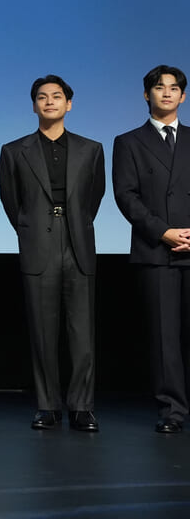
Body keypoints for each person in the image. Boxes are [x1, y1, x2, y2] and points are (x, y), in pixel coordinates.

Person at [0, 75, 105, 432]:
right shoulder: (14, 151)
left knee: (82, 331)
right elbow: (11, 201)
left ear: (68, 104)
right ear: (34, 105)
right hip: (38, 242)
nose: (49, 102)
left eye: (57, 96)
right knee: (42, 331)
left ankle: (82, 406)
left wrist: (75, 223)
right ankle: (47, 405)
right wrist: (30, 229)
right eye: (42, 97)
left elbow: (94, 197)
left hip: (78, 240)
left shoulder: (91, 149)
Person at [112, 64, 190, 434]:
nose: (167, 93)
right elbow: (126, 196)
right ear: (147, 95)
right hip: (156, 249)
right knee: (164, 338)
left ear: (183, 96)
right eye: (160, 87)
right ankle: (172, 409)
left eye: (174, 88)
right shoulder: (128, 142)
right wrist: (164, 232)